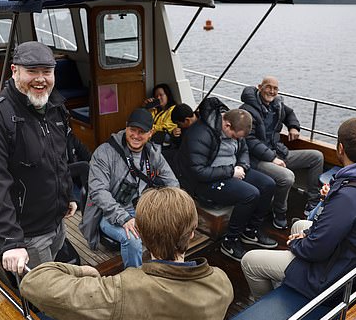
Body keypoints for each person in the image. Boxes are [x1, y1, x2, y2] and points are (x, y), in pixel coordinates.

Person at [21, 187, 233, 320]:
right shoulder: (221, 284)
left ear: (139, 234)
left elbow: (34, 282)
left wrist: (83, 271)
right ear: (191, 234)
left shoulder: (119, 293)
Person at [241, 118, 356, 300]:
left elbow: (314, 250)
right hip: (355, 253)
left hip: (335, 274)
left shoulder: (348, 197)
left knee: (250, 261)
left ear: (340, 149)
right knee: (299, 226)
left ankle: (266, 307)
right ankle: (285, 280)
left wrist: (296, 243)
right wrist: (307, 234)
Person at [0, 41, 77, 275]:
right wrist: (11, 241)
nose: (41, 79)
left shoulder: (55, 107)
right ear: (14, 71)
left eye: (47, 71)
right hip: (28, 234)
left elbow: (59, 160)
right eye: (32, 71)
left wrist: (67, 195)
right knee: (46, 294)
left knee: (57, 267)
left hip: (58, 222)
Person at [177, 97, 277, 262]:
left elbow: (244, 149)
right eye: (234, 136)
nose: (236, 140)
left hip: (232, 171)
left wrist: (243, 166)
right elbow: (198, 172)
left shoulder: (236, 127)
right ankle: (230, 242)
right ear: (227, 125)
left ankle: (250, 231)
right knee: (250, 194)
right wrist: (231, 171)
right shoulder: (200, 134)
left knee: (268, 185)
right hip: (205, 183)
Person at [80, 108, 178, 268]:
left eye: (142, 132)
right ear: (126, 127)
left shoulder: (153, 153)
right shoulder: (104, 153)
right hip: (109, 213)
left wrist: (166, 208)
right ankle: (134, 280)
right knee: (132, 239)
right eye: (132, 129)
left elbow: (173, 184)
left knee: (170, 226)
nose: (136, 136)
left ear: (151, 132)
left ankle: (163, 270)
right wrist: (124, 218)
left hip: (141, 208)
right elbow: (99, 192)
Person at [240, 76, 324, 229]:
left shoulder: (277, 104)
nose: (271, 91)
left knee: (317, 157)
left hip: (277, 151)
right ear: (259, 87)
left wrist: (293, 127)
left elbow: (290, 113)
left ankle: (312, 203)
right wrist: (272, 158)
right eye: (268, 87)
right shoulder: (248, 110)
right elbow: (249, 141)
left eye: (275, 88)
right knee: (287, 176)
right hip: (257, 159)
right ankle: (279, 212)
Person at [143, 83, 178, 147]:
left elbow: (165, 127)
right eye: (156, 96)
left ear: (167, 95)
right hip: (148, 136)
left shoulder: (174, 110)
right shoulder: (155, 110)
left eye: (161, 95)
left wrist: (150, 128)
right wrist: (147, 108)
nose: (158, 98)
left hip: (162, 140)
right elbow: (145, 120)